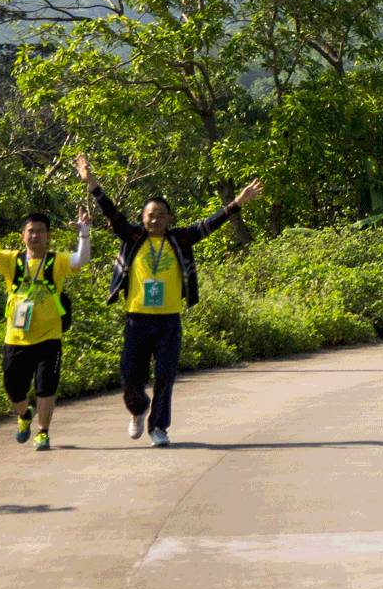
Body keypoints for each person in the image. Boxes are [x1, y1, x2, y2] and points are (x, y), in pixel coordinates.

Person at [74, 153, 261, 448]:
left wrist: (236, 203)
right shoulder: (133, 237)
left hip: (168, 321)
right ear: (143, 217)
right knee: (130, 377)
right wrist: (93, 184)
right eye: (151, 214)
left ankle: (158, 427)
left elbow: (207, 226)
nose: (156, 218)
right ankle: (137, 410)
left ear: (170, 218)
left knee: (165, 376)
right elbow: (112, 214)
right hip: (136, 319)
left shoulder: (179, 239)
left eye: (161, 214)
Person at [0, 200, 92, 452]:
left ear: (48, 236)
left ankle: (43, 432)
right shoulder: (11, 260)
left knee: (45, 387)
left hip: (49, 337)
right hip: (15, 338)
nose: (35, 235)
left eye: (40, 231)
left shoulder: (56, 261)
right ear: (23, 235)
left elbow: (81, 259)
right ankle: (24, 415)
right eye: (31, 230)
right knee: (13, 389)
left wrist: (84, 232)